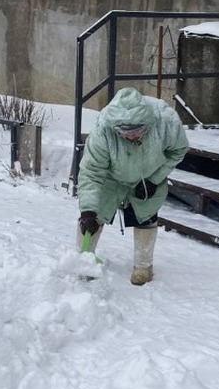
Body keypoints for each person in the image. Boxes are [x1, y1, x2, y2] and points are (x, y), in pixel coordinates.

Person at [76, 87, 190, 285]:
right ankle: (84, 261)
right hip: (111, 177)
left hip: (148, 175)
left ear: (147, 123)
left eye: (137, 132)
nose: (131, 137)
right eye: (124, 133)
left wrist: (154, 179)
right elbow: (92, 171)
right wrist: (87, 210)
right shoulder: (104, 130)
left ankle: (143, 267)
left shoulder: (166, 122)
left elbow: (178, 151)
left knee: (146, 216)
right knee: (93, 217)